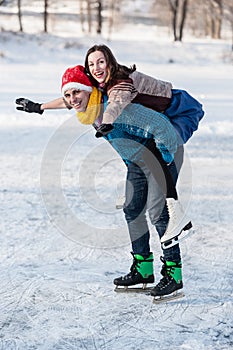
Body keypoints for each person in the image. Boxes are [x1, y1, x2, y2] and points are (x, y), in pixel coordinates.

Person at [15, 64, 189, 299]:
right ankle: (143, 268)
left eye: (76, 92)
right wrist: (39, 107)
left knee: (158, 212)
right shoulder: (88, 108)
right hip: (137, 161)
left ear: (88, 90)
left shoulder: (116, 107)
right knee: (132, 208)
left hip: (162, 155)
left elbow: (162, 127)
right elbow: (68, 101)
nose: (72, 99)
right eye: (68, 94)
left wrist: (164, 165)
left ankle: (174, 273)